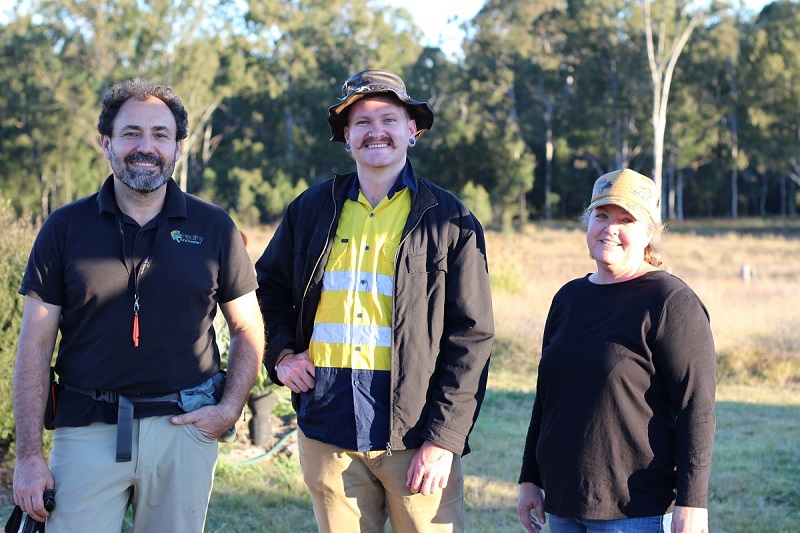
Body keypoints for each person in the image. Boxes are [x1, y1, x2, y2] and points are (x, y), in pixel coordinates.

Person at [12, 79, 265, 532]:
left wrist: (229, 409)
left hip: (184, 429)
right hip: (86, 429)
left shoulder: (215, 227)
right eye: (131, 133)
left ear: (178, 148)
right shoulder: (64, 227)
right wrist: (29, 457)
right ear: (107, 142)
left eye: (160, 135)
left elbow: (249, 328)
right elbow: (34, 341)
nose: (145, 146)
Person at [255, 69, 494, 532]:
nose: (375, 131)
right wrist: (282, 353)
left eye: (389, 118)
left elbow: (473, 336)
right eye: (361, 122)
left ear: (412, 130)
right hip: (327, 427)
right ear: (346, 137)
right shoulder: (310, 208)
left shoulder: (450, 220)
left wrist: (443, 440)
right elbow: (269, 288)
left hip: (416, 436)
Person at [516, 168, 716, 533]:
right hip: (563, 502)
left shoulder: (671, 301)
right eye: (602, 215)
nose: (610, 227)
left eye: (626, 219)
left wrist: (692, 503)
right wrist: (530, 477)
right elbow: (546, 399)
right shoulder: (567, 298)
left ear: (648, 234)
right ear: (587, 222)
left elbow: (696, 409)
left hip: (634, 510)